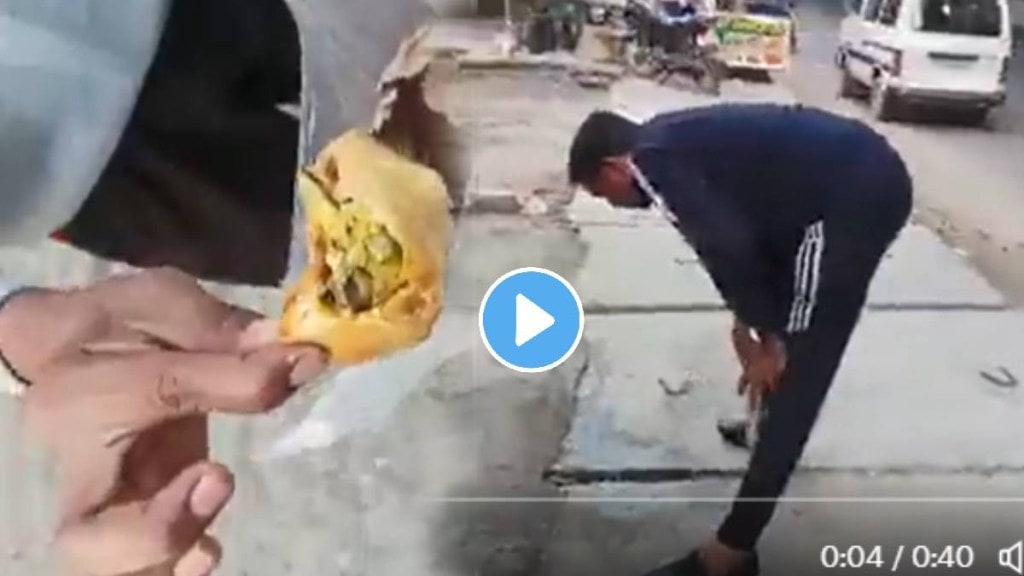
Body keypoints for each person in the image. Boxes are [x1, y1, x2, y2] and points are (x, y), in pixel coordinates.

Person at [567, 104, 912, 576]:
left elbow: (724, 245)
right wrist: (747, 322)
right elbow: (743, 231)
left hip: (852, 194)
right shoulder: (665, 142)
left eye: (600, 193)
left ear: (613, 169)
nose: (610, 204)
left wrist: (766, 335)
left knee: (800, 367)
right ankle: (759, 430)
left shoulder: (653, 163)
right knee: (778, 333)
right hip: (821, 193)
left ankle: (730, 552)